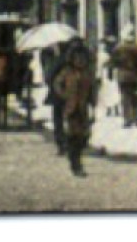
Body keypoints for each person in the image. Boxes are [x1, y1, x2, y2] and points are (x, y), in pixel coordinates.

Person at [51, 39, 97, 178]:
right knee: (73, 137)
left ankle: (75, 159)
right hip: (70, 109)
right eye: (77, 58)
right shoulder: (67, 72)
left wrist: (93, 104)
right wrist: (64, 95)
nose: (80, 60)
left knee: (84, 136)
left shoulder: (87, 73)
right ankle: (76, 164)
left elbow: (92, 90)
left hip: (83, 109)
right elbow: (57, 84)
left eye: (82, 58)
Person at [110, 27, 137, 128]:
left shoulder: (118, 48)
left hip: (123, 76)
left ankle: (127, 120)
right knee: (136, 98)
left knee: (125, 98)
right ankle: (136, 119)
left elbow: (113, 63)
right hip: (135, 76)